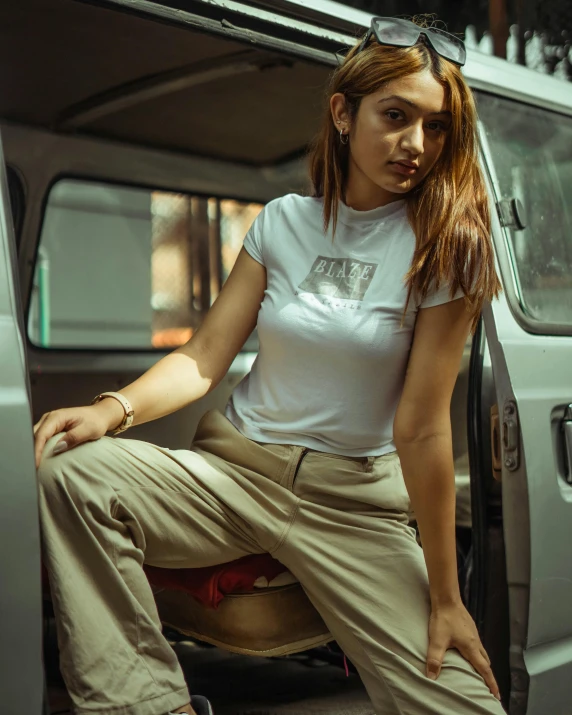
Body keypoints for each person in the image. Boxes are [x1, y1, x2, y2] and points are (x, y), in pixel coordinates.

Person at [35, 16, 505, 715]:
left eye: (435, 127)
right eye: (397, 116)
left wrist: (447, 596)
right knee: (72, 470)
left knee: (464, 702)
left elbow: (422, 428)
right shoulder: (283, 221)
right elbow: (203, 357)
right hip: (234, 471)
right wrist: (112, 409)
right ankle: (149, 705)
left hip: (354, 506)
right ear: (343, 114)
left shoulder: (449, 244)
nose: (416, 145)